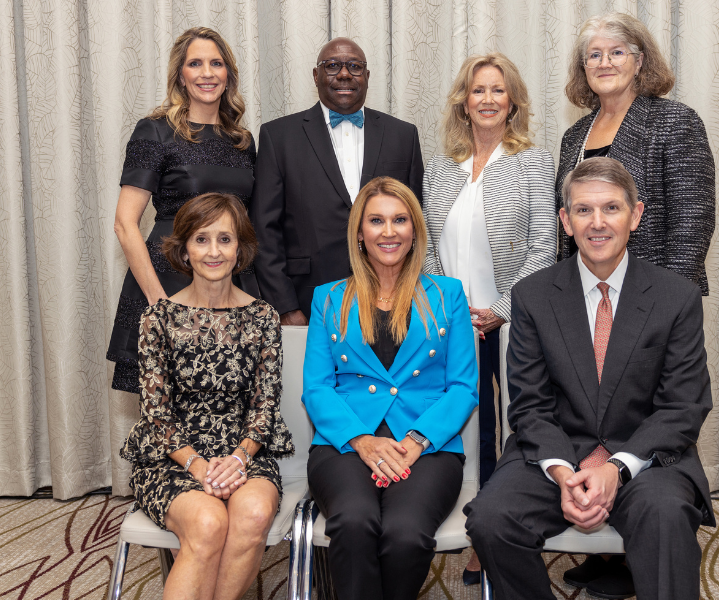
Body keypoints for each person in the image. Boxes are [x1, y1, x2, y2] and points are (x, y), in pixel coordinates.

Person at [464, 157, 715, 600]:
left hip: (645, 459)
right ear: (565, 220)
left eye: (611, 209)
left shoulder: (677, 296)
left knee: (666, 515)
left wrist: (617, 468)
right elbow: (529, 405)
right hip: (557, 454)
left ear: (635, 215)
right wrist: (564, 473)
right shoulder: (533, 296)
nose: (597, 223)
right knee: (491, 517)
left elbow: (683, 406)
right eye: (583, 210)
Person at [302, 177, 478, 600]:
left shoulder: (447, 295)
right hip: (345, 440)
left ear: (415, 229)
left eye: (400, 220)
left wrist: (417, 439)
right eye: (376, 220)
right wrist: (362, 440)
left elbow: (463, 388)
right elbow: (317, 389)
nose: (388, 231)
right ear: (359, 232)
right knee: (354, 522)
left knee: (404, 533)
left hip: (428, 441)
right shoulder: (328, 299)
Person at [422, 51, 556, 585]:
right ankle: (474, 522)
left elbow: (545, 248)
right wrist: (449, 311)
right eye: (478, 90)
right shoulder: (439, 170)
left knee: (512, 425)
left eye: (498, 90)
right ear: (463, 101)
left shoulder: (534, 163)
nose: (487, 99)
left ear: (513, 101)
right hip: (451, 323)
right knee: (466, 429)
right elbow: (427, 250)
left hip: (512, 321)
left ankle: (502, 527)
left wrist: (500, 310)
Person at [120, 192, 294, 600]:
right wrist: (198, 466)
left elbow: (264, 406)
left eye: (225, 239)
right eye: (201, 239)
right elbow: (156, 415)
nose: (213, 251)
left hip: (244, 453)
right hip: (172, 457)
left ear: (241, 248)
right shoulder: (157, 318)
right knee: (208, 523)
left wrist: (237, 459)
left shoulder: (263, 316)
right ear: (183, 248)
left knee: (252, 516)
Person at [107, 27, 259, 394]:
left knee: (225, 416)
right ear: (181, 75)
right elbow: (125, 224)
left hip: (228, 289)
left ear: (228, 75)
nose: (207, 73)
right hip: (167, 282)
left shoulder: (242, 140)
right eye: (196, 64)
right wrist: (162, 306)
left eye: (216, 64)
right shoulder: (155, 131)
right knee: (166, 425)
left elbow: (249, 224)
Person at [249, 37, 424, 326]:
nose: (344, 73)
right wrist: (285, 306)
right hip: (307, 300)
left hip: (393, 300)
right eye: (332, 65)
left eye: (355, 66)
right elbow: (263, 231)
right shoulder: (278, 137)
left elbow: (416, 223)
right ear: (316, 76)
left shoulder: (403, 135)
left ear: (367, 77)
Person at [556, 12, 715, 297]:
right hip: (582, 295)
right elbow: (567, 228)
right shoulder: (574, 136)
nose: (604, 63)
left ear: (639, 61)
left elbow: (691, 223)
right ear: (584, 67)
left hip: (650, 296)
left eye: (616, 52)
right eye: (594, 55)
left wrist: (668, 301)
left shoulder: (676, 121)